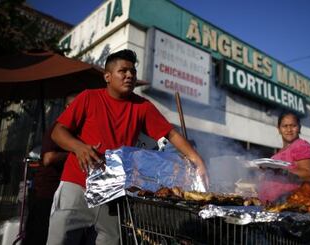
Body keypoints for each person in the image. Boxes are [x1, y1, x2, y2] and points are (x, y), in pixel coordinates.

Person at [46, 49, 208, 245]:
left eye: (133, 71)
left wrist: (196, 159)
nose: (130, 75)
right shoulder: (88, 97)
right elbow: (58, 131)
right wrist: (78, 147)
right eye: (123, 71)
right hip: (77, 184)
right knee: (60, 240)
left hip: (114, 192)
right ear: (107, 76)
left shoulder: (143, 106)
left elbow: (171, 134)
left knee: (111, 240)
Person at [23, 94, 78, 245]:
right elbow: (48, 158)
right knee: (39, 236)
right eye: (76, 107)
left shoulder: (75, 131)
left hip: (63, 193)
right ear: (67, 108)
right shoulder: (58, 128)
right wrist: (76, 152)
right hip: (47, 192)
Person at [258, 111, 310, 204]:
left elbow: (309, 175)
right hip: (269, 206)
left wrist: (282, 170)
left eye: (293, 126)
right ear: (279, 129)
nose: (289, 130)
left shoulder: (301, 146)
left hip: (288, 207)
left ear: (299, 127)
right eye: (285, 126)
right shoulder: (276, 155)